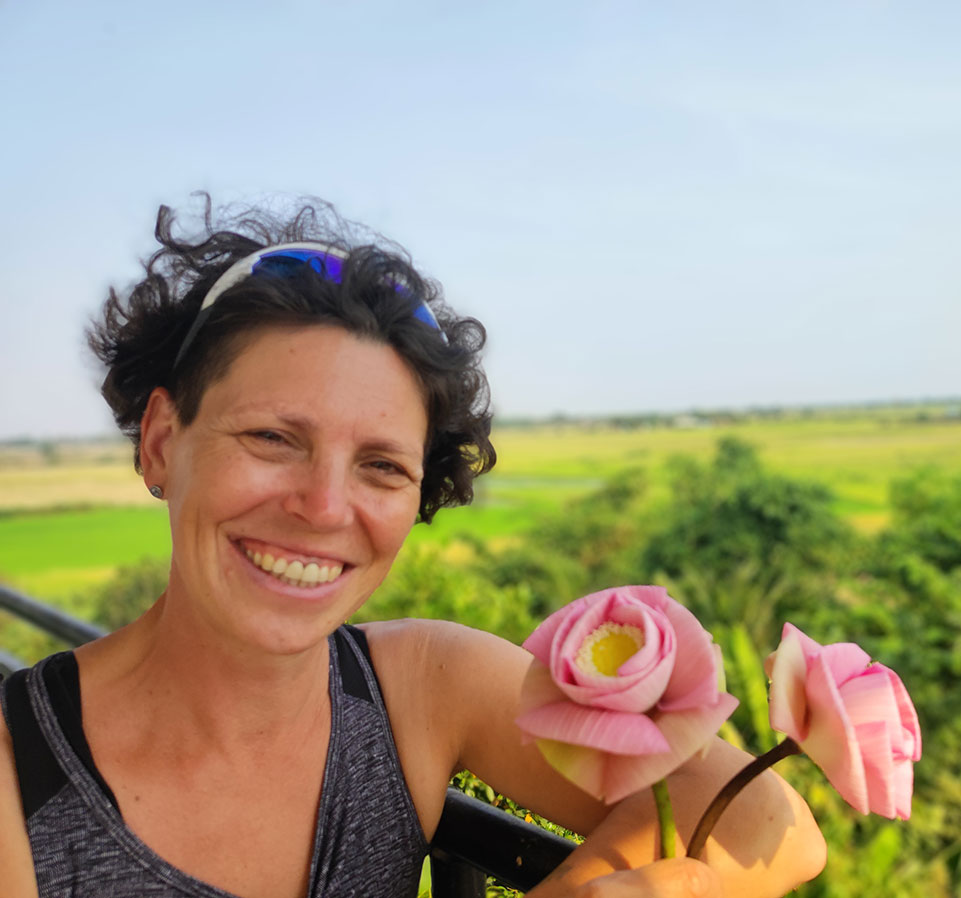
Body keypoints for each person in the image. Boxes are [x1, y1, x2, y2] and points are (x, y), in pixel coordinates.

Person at [0, 198, 825, 897]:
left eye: (381, 466)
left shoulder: (421, 687)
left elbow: (770, 818)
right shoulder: (18, 775)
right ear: (160, 441)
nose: (324, 507)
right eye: (272, 437)